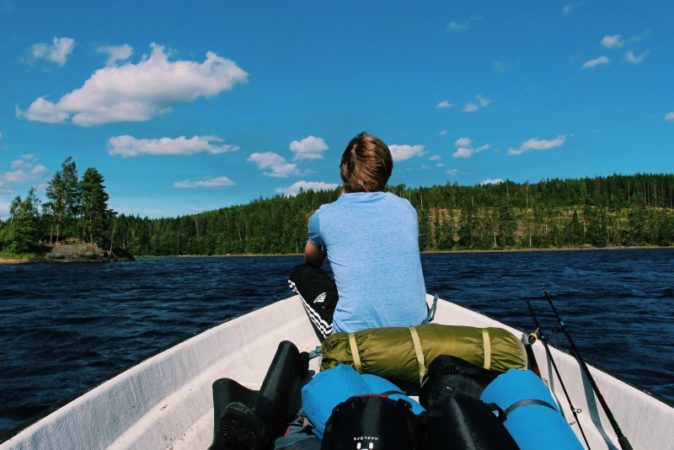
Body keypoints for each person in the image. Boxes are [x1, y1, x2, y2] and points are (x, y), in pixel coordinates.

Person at [289, 132, 428, 341]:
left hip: (357, 342)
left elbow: (311, 259)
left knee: (301, 272)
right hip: (417, 337)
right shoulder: (407, 208)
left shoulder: (324, 216)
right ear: (386, 171)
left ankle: (337, 340)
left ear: (344, 171)